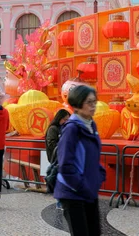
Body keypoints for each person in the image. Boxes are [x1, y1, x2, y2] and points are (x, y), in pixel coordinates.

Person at [53, 85, 105, 235]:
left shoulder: (91, 125)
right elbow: (65, 165)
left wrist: (99, 174)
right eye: (89, 102)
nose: (93, 105)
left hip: (88, 190)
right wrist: (82, 186)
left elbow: (93, 156)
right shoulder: (71, 129)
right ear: (78, 104)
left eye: (94, 101)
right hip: (73, 192)